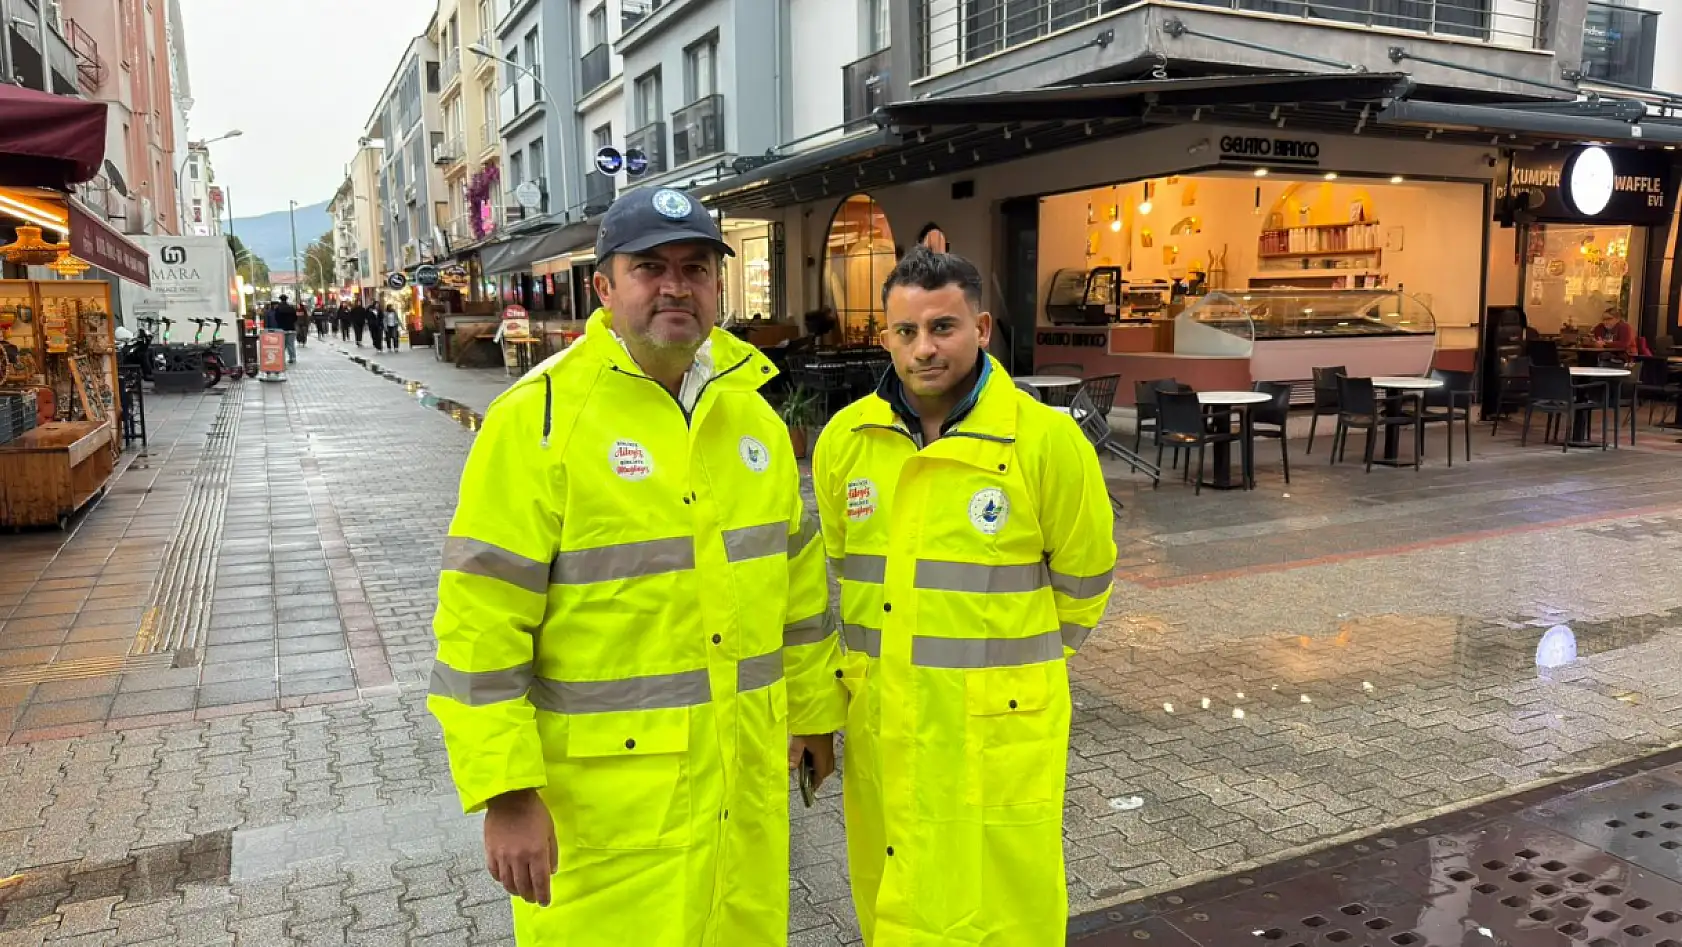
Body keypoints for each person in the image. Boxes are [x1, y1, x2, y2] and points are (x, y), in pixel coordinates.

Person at [429, 185, 845, 946]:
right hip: (606, 818)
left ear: (718, 284)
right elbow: (480, 623)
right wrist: (505, 788)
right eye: (650, 267)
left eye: (695, 267)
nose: (674, 286)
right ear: (605, 286)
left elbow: (799, 585)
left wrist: (816, 713)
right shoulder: (541, 420)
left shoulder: (750, 413)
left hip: (740, 794)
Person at [812, 245, 1117, 945]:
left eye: (943, 327)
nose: (924, 348)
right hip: (885, 723)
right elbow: (844, 569)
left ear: (981, 328)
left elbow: (1085, 578)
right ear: (884, 335)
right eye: (906, 331)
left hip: (996, 730)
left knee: (1004, 906)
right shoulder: (845, 443)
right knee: (893, 896)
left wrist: (1009, 662)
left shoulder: (1043, 442)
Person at [271, 294, 299, 363]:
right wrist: (291, 322)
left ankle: (281, 359)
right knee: (291, 344)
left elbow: (276, 318)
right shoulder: (291, 308)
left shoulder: (278, 308)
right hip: (291, 329)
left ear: (280, 299)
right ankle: (292, 358)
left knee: (281, 345)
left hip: (281, 329)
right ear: (286, 299)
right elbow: (295, 318)